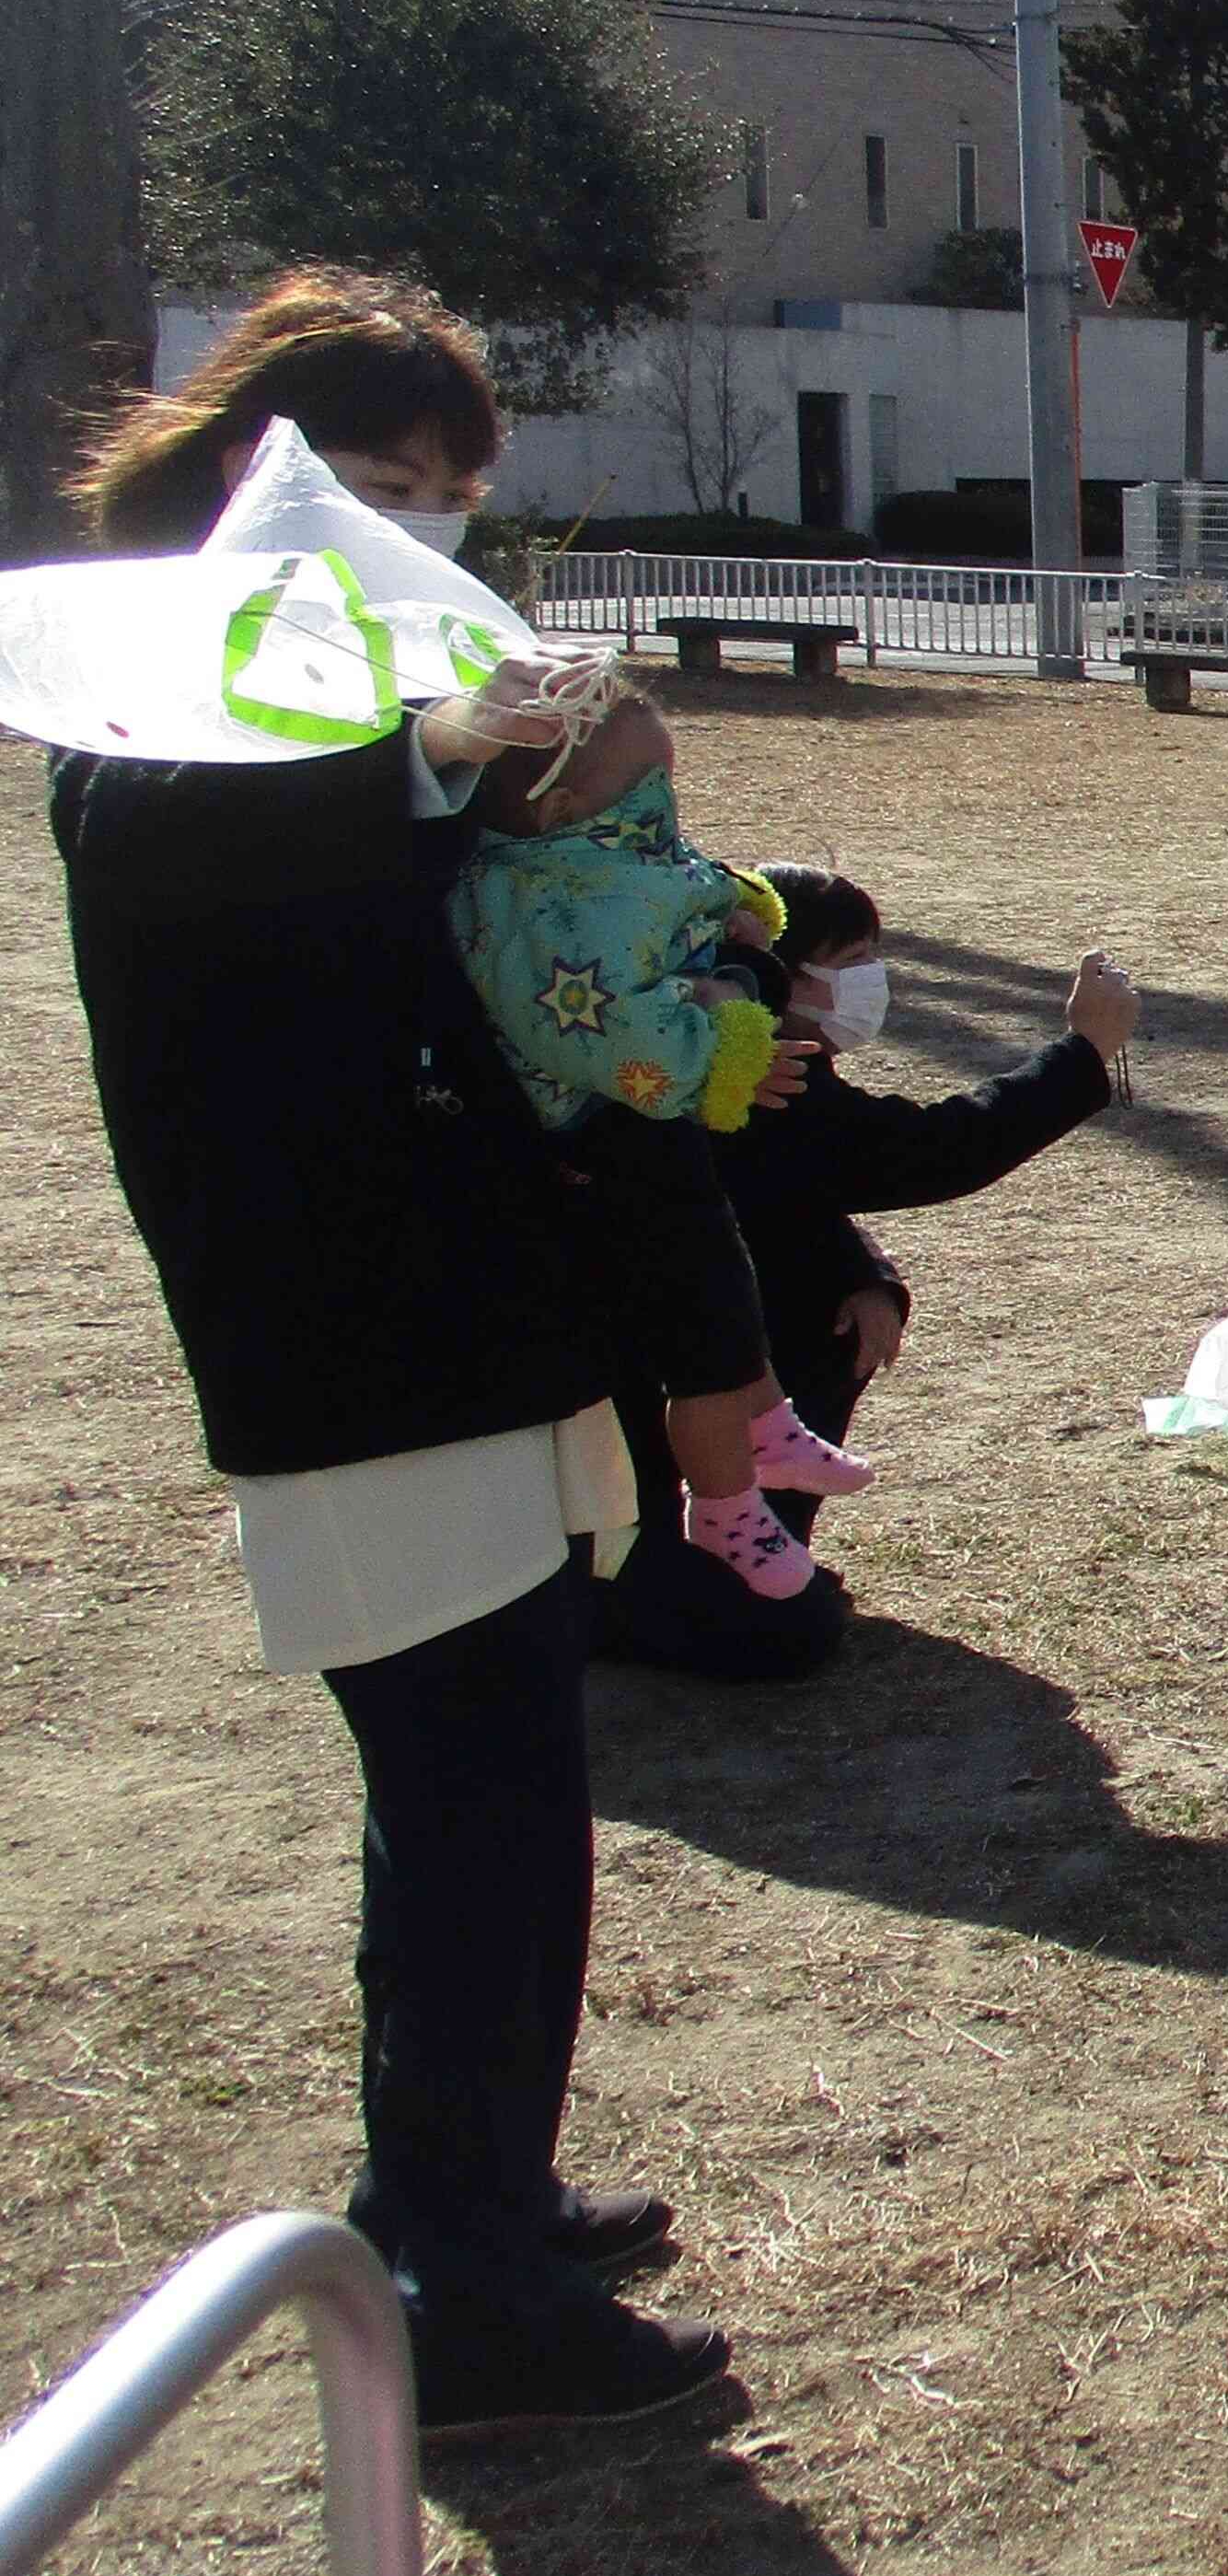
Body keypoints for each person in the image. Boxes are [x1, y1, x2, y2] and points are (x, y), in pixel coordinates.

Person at [48, 268, 730, 2432]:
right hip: (354, 1344)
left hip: (459, 1329)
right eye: (377, 485)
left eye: (449, 497)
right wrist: (434, 745)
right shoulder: (169, 706)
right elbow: (163, 834)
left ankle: (466, 2192)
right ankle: (462, 2281)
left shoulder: (335, 689)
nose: (416, 530)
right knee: (477, 1804)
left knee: (487, 1790)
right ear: (259, 476)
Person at [600, 867, 1139, 1677]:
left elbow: (789, 1188)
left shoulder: (729, 1057)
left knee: (840, 1303)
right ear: (772, 972)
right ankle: (667, 1568)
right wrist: (1083, 1053)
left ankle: (735, 1541)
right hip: (627, 1388)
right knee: (780, 1635)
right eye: (850, 958)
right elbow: (924, 1152)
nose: (867, 980)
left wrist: (865, 1272)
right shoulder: (739, 1072)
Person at [449, 678, 867, 1599]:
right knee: (701, 1331)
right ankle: (723, 1504)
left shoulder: (601, 865)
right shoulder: (537, 904)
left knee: (727, 1286)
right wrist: (724, 1015)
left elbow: (686, 901)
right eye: (649, 790)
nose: (668, 812)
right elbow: (617, 1040)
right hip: (608, 1145)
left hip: (655, 1138)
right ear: (562, 806)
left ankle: (768, 1427)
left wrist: (741, 935)